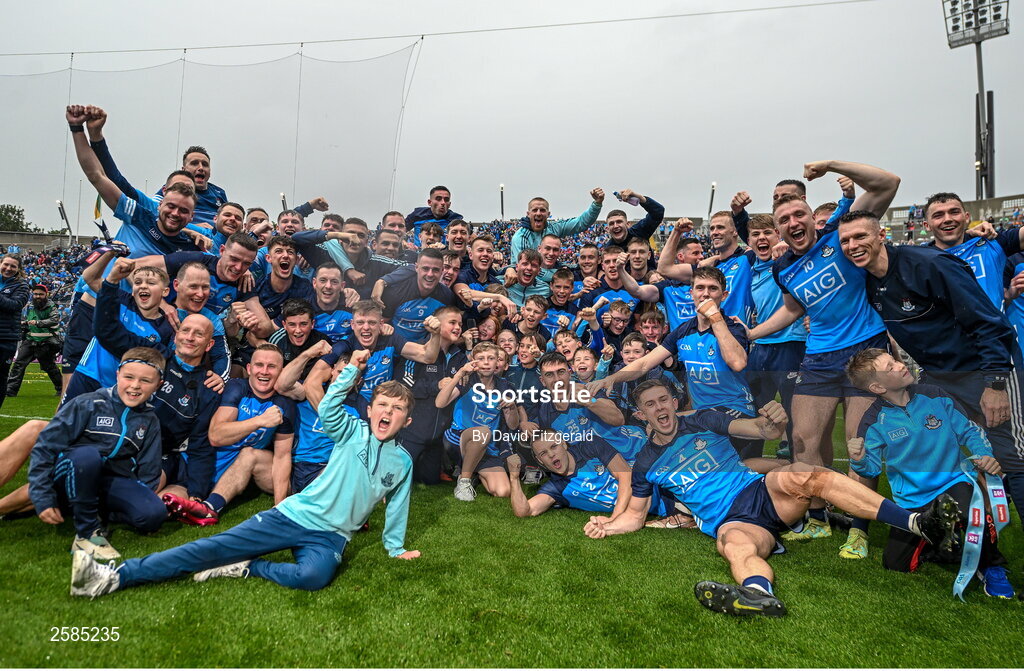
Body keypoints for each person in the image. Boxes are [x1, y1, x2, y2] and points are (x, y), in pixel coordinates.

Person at [584, 378, 964, 618]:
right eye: (650, 405)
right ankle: (758, 595)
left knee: (807, 474)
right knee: (733, 546)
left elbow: (757, 427)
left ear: (673, 400)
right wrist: (608, 526)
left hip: (758, 492)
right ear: (641, 414)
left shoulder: (702, 419)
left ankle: (918, 523)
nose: (660, 409)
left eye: (664, 400)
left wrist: (774, 421)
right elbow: (635, 515)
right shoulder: (646, 462)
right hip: (732, 521)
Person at [69, 350, 421, 599]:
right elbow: (328, 405)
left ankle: (247, 567)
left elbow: (397, 506)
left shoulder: (402, 463)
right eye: (382, 405)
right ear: (371, 409)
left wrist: (395, 548)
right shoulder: (351, 430)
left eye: (397, 409)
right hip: (294, 516)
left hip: (331, 537)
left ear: (405, 421)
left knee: (313, 577)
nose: (387, 412)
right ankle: (112, 576)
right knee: (210, 549)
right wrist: (351, 371)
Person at [837, 210, 1024, 532]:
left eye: (860, 236)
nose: (853, 245)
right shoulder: (870, 282)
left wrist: (994, 385)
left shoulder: (928, 263)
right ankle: (956, 531)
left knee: (1012, 456)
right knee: (937, 451)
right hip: (938, 376)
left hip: (983, 371)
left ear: (882, 235)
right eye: (846, 240)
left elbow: (989, 324)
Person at [746, 160, 901, 548]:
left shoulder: (840, 237)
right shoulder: (784, 268)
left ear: (813, 217)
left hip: (866, 352)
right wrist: (751, 332)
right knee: (804, 441)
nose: (792, 222)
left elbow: (888, 184)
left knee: (858, 444)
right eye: (784, 219)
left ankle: (858, 528)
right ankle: (817, 514)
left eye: (799, 213)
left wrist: (832, 163)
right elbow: (793, 309)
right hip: (818, 357)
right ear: (779, 228)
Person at [844, 348, 1014, 597]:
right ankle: (941, 540)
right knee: (895, 565)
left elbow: (969, 431)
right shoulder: (873, 420)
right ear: (878, 388)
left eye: (894, 360)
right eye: (889, 367)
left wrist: (983, 455)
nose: (900, 366)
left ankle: (992, 567)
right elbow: (869, 469)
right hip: (912, 500)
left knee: (972, 513)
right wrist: (858, 460)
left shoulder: (935, 395)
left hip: (952, 482)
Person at [30, 347, 166, 561]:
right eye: (128, 377)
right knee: (88, 456)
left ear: (158, 385)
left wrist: (143, 498)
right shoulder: (89, 403)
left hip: (109, 481)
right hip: (72, 472)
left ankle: (91, 509)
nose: (135, 386)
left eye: (145, 381)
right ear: (117, 375)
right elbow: (45, 447)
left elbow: (149, 468)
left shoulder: (150, 420)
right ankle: (86, 533)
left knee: (153, 515)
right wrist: (42, 497)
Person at [436, 342, 523, 500]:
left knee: (503, 491)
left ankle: (473, 470)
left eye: (491, 358)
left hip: (487, 446)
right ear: (472, 360)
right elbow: (440, 403)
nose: (486, 362)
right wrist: (459, 374)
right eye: (481, 358)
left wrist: (512, 407)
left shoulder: (505, 387)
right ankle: (464, 481)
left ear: (498, 362)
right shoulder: (466, 381)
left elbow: (513, 425)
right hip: (458, 438)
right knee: (483, 432)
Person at [510, 189, 605, 261]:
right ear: (528, 214)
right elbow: (526, 267)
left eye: (542, 210)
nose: (538, 213)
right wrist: (556, 272)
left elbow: (581, 223)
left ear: (548, 214)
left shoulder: (554, 228)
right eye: (535, 210)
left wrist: (597, 204)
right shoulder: (521, 237)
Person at [5, 283, 61, 398]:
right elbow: (28, 320)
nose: (37, 296)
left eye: (40, 294)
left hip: (46, 343)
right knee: (18, 366)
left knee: (50, 367)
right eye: (35, 294)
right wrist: (24, 323)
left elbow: (54, 320)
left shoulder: (52, 307)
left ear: (46, 294)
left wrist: (38, 323)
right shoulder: (30, 306)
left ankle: (61, 389)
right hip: (30, 341)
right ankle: (10, 391)